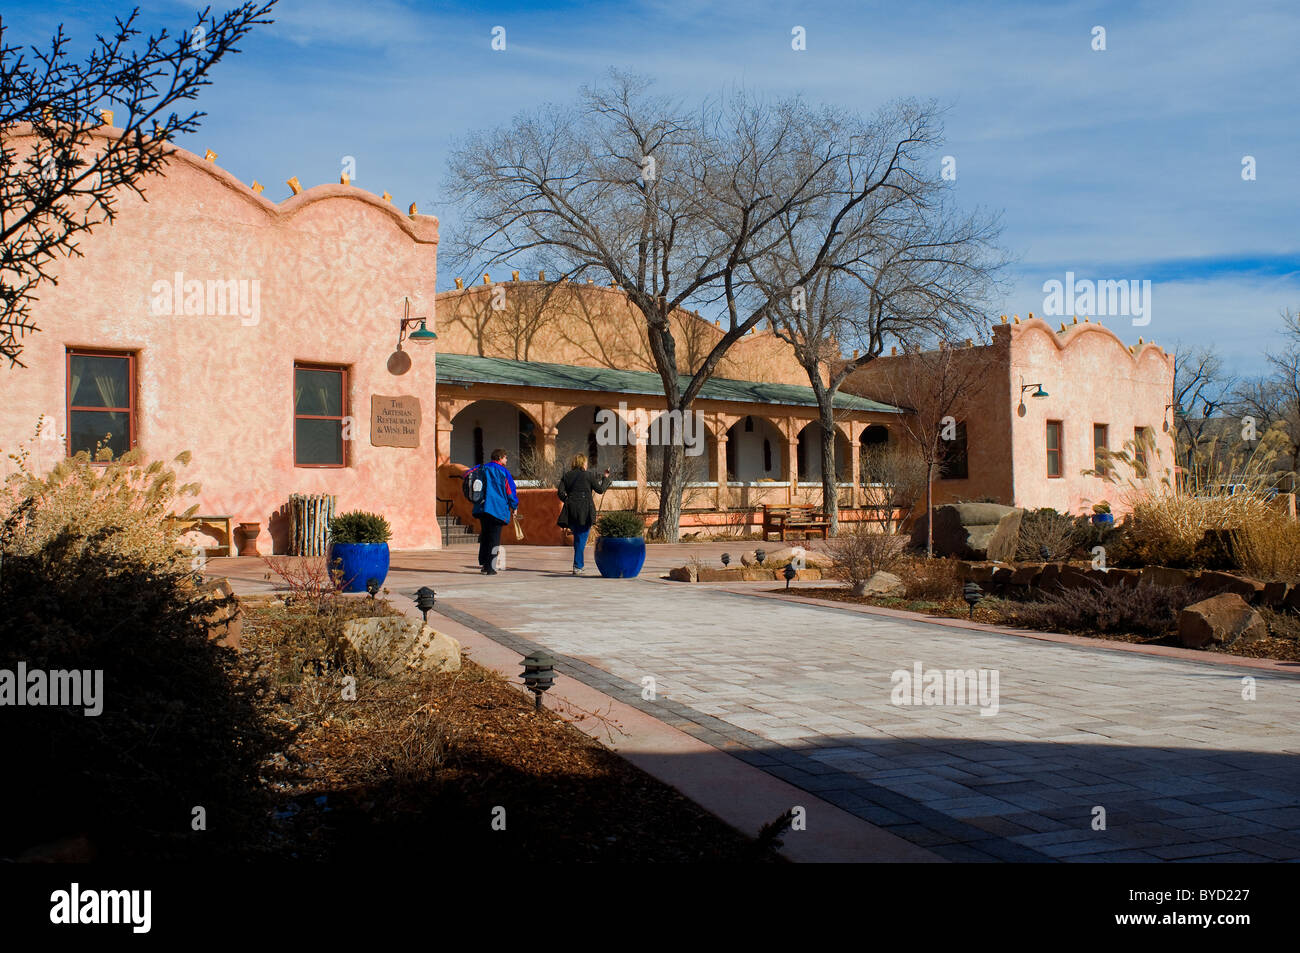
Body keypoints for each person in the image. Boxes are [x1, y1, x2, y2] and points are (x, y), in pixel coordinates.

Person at [556, 453, 611, 575]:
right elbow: (600, 490)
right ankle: (577, 566)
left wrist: (568, 501)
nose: (586, 465)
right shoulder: (588, 476)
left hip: (572, 512)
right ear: (582, 463)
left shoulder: (567, 476)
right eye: (585, 462)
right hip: (585, 511)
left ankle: (578, 565)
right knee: (581, 539)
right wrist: (605, 477)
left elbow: (560, 492)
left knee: (578, 538)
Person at [472, 448, 518, 575]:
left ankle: (485, 565)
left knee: (485, 536)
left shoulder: (481, 469)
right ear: (500, 458)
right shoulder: (503, 472)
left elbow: (469, 479)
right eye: (506, 457)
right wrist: (514, 506)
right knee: (494, 538)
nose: (506, 460)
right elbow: (510, 491)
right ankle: (491, 567)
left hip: (482, 508)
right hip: (497, 508)